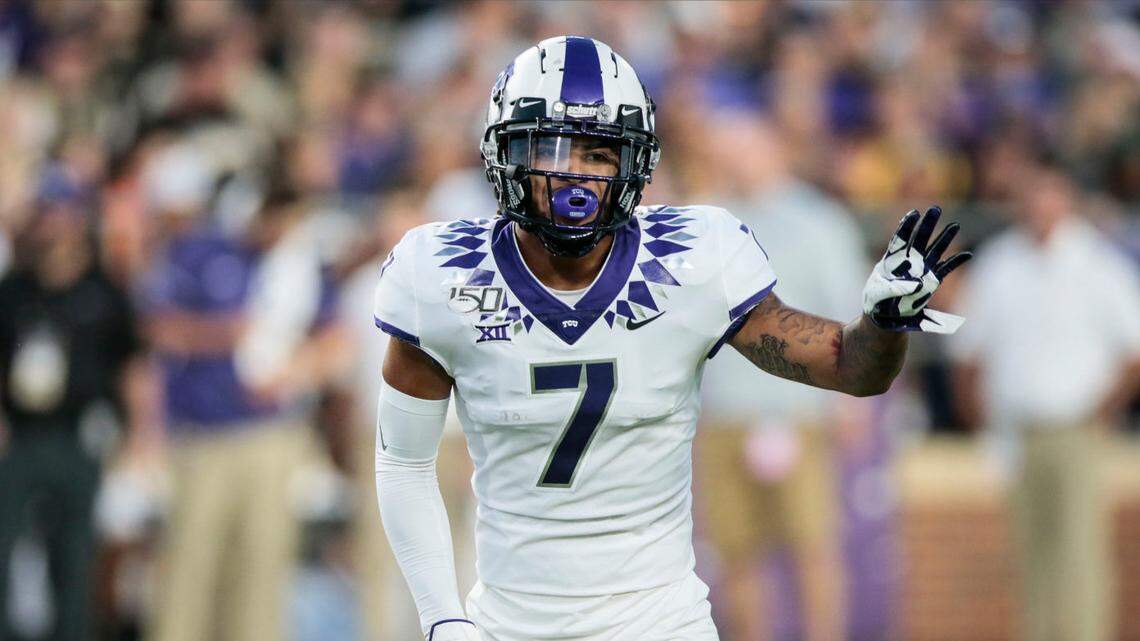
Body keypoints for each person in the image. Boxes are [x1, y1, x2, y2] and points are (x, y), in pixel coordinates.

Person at [372, 36, 971, 641]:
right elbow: (404, 463)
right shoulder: (443, 277)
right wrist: (441, 616)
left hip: (661, 624)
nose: (573, 174)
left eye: (598, 153)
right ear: (505, 155)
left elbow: (853, 369)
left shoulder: (692, 261)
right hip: (508, 625)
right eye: (549, 147)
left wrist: (883, 324)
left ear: (633, 163)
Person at [145, 185, 349, 641]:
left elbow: (337, 341)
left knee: (262, 566)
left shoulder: (300, 264)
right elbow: (159, 329)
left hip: (272, 437)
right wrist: (224, 334)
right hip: (204, 438)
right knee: (189, 564)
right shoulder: (201, 252)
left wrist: (297, 370)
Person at [950, 159, 1140, 641]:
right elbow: (968, 352)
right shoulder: (1000, 264)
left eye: (1050, 194)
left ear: (1068, 200)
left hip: (1075, 428)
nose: (1041, 206)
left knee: (1079, 553)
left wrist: (1102, 410)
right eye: (1033, 195)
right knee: (1029, 553)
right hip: (1017, 429)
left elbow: (1132, 350)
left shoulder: (1097, 264)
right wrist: (980, 421)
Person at [698, 113, 866, 641]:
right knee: (736, 553)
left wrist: (850, 400)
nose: (736, 161)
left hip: (798, 413)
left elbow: (849, 312)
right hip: (725, 412)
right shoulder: (709, 222)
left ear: (776, 150)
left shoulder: (818, 222)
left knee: (812, 547)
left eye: (746, 148)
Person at [0, 174, 148, 641]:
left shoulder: (104, 292)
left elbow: (131, 366)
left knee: (74, 555)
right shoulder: (14, 290)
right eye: (45, 213)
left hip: (80, 436)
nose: (51, 225)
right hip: (18, 436)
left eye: (61, 213)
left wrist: (141, 433)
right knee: (4, 546)